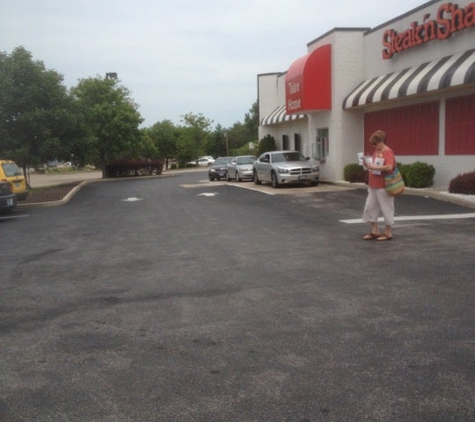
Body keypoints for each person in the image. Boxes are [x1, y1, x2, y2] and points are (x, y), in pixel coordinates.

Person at [361, 130, 396, 241]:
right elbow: (374, 165)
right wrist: (367, 165)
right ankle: (375, 230)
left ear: (381, 141)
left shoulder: (387, 152)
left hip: (384, 185)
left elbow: (389, 167)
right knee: (369, 207)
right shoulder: (376, 152)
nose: (374, 146)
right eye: (373, 144)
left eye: (375, 144)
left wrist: (372, 167)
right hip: (373, 185)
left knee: (386, 208)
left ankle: (388, 232)